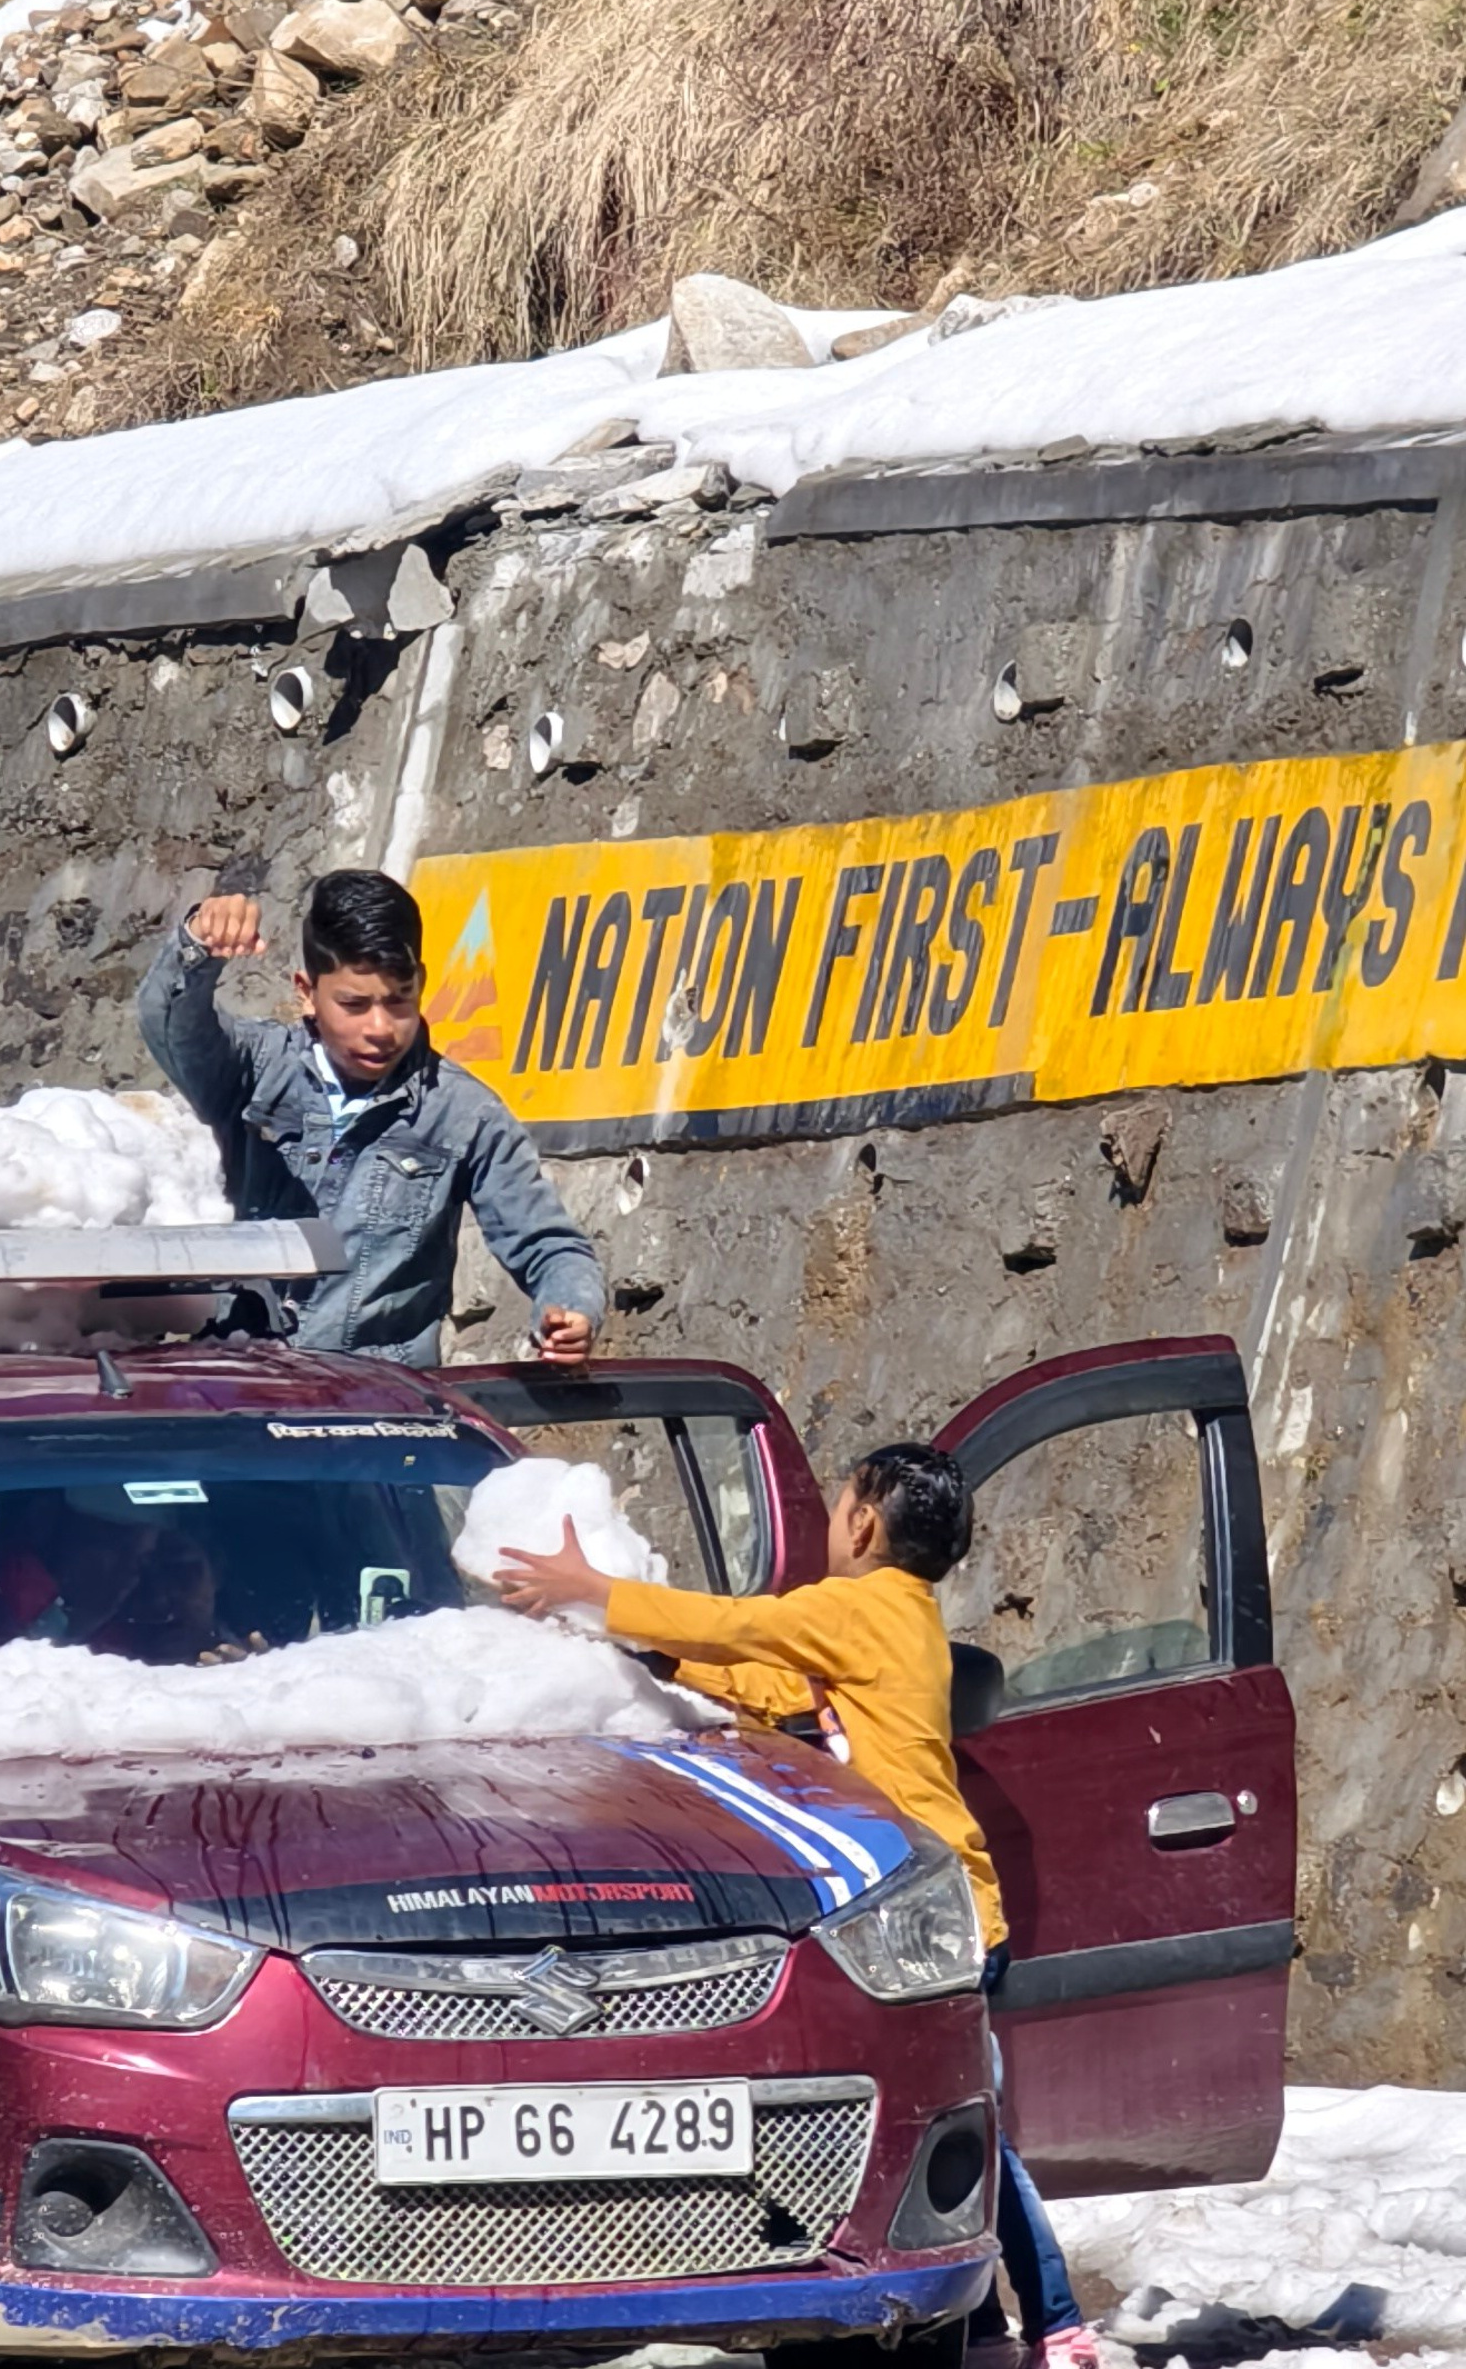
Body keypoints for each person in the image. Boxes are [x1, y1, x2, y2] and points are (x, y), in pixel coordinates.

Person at [494, 1442, 1096, 2369]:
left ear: (863, 1522)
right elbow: (768, 1684)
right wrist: (653, 1654)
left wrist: (592, 1588)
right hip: (936, 1907)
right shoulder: (895, 1619)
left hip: (941, 1912)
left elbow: (735, 1627)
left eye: (840, 1502)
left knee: (973, 2129)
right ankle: (978, 2326)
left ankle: (1055, 2321)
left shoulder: (860, 1606)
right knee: (955, 2113)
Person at [137, 867, 604, 1367]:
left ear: (421, 983)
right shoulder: (254, 1070)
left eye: (399, 999)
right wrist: (198, 946)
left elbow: (550, 1245)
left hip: (377, 1406)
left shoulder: (464, 1115)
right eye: (354, 1005)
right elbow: (169, 1023)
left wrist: (570, 1308)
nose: (381, 1028)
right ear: (306, 993)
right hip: (238, 1388)